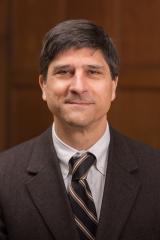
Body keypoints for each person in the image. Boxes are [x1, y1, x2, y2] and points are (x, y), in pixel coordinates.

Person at [0, 19, 160, 240]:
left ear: (113, 86)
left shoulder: (156, 173)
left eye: (93, 72)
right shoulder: (3, 177)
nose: (78, 87)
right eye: (64, 72)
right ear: (43, 86)